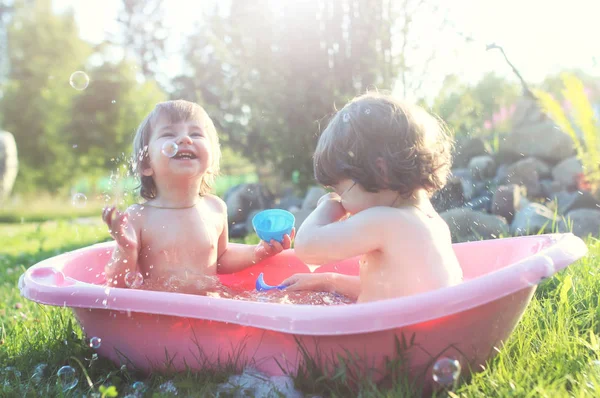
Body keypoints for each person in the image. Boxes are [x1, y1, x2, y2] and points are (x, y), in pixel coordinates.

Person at [281, 92, 463, 303]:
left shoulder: (385, 221)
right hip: (423, 330)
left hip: (389, 335)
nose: (340, 201)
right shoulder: (433, 223)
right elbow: (391, 290)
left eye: (341, 192)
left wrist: (327, 207)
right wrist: (328, 281)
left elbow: (306, 248)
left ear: (380, 172)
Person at [101, 100, 294, 293]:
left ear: (211, 161)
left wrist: (258, 252)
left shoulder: (215, 208)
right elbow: (116, 288)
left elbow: (221, 258)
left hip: (208, 311)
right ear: (145, 164)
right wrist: (126, 248)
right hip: (159, 316)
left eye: (196, 133)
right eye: (169, 134)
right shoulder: (139, 217)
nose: (185, 139)